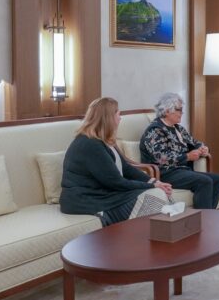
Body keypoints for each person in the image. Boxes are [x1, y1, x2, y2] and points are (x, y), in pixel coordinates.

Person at [60, 97, 173, 227]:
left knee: (159, 194)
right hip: (86, 199)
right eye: (118, 114)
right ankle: (135, 234)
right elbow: (116, 182)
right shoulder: (90, 144)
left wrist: (154, 181)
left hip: (104, 193)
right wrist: (152, 187)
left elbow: (126, 168)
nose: (120, 118)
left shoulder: (104, 140)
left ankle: (148, 233)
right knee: (156, 196)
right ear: (108, 118)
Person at [140, 93, 219, 209]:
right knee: (204, 181)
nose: (182, 113)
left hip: (182, 171)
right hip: (165, 173)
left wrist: (203, 148)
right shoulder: (155, 130)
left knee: (218, 179)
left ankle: (208, 215)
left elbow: (194, 142)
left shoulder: (178, 128)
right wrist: (187, 157)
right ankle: (203, 218)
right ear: (167, 111)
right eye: (179, 110)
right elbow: (162, 158)